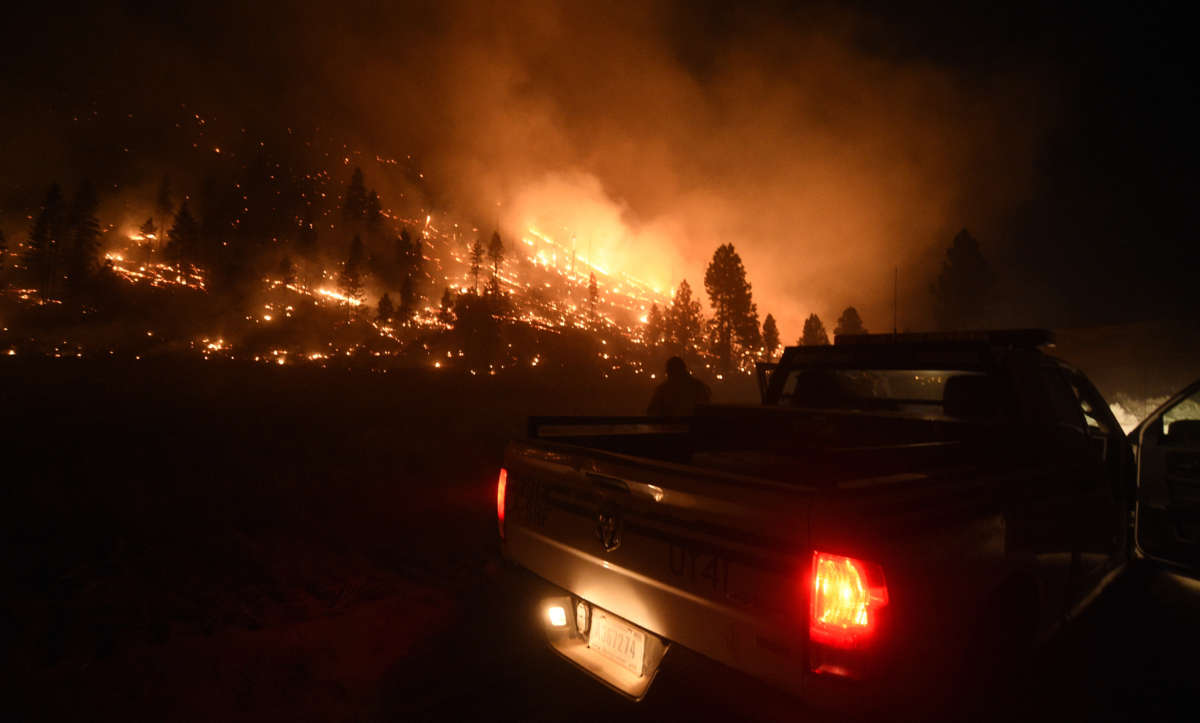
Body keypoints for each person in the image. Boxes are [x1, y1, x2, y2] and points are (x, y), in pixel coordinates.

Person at [647, 356, 711, 416]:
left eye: (669, 372)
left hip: (670, 426)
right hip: (692, 426)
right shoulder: (698, 387)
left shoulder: (663, 390)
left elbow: (651, 411)